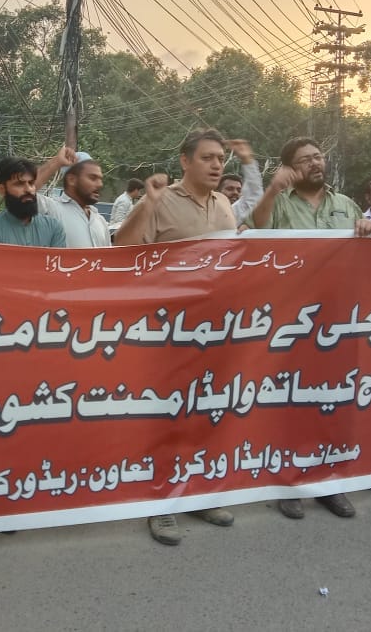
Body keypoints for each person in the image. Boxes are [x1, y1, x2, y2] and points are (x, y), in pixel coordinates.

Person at [113, 129, 236, 546]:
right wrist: (146, 203)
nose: (217, 165)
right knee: (165, 418)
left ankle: (198, 493)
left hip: (215, 331)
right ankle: (159, 504)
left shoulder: (224, 204)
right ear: (185, 161)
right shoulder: (161, 200)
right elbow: (124, 248)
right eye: (208, 158)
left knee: (204, 414)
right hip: (167, 330)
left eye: (221, 158)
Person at [247, 137, 371, 520]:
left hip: (338, 322)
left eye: (318, 156)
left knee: (332, 403)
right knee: (289, 402)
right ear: (289, 168)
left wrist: (368, 228)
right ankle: (288, 482)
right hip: (292, 321)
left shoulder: (345, 205)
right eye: (305, 160)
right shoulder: (280, 203)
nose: (315, 163)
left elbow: (366, 252)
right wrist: (273, 189)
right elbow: (257, 228)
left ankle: (327, 483)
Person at [0, 157, 66, 247]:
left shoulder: (53, 227)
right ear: (2, 189)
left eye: (31, 183)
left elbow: (58, 261)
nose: (28, 190)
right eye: (19, 184)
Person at [33, 148, 111, 248]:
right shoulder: (51, 210)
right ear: (72, 180)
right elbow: (21, 192)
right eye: (93, 178)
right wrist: (56, 162)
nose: (100, 184)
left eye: (100, 179)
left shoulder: (100, 221)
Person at [216, 139, 264, 227]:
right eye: (229, 189)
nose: (235, 192)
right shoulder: (209, 210)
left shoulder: (237, 211)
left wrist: (247, 160)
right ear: (218, 192)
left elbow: (255, 193)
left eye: (239, 190)